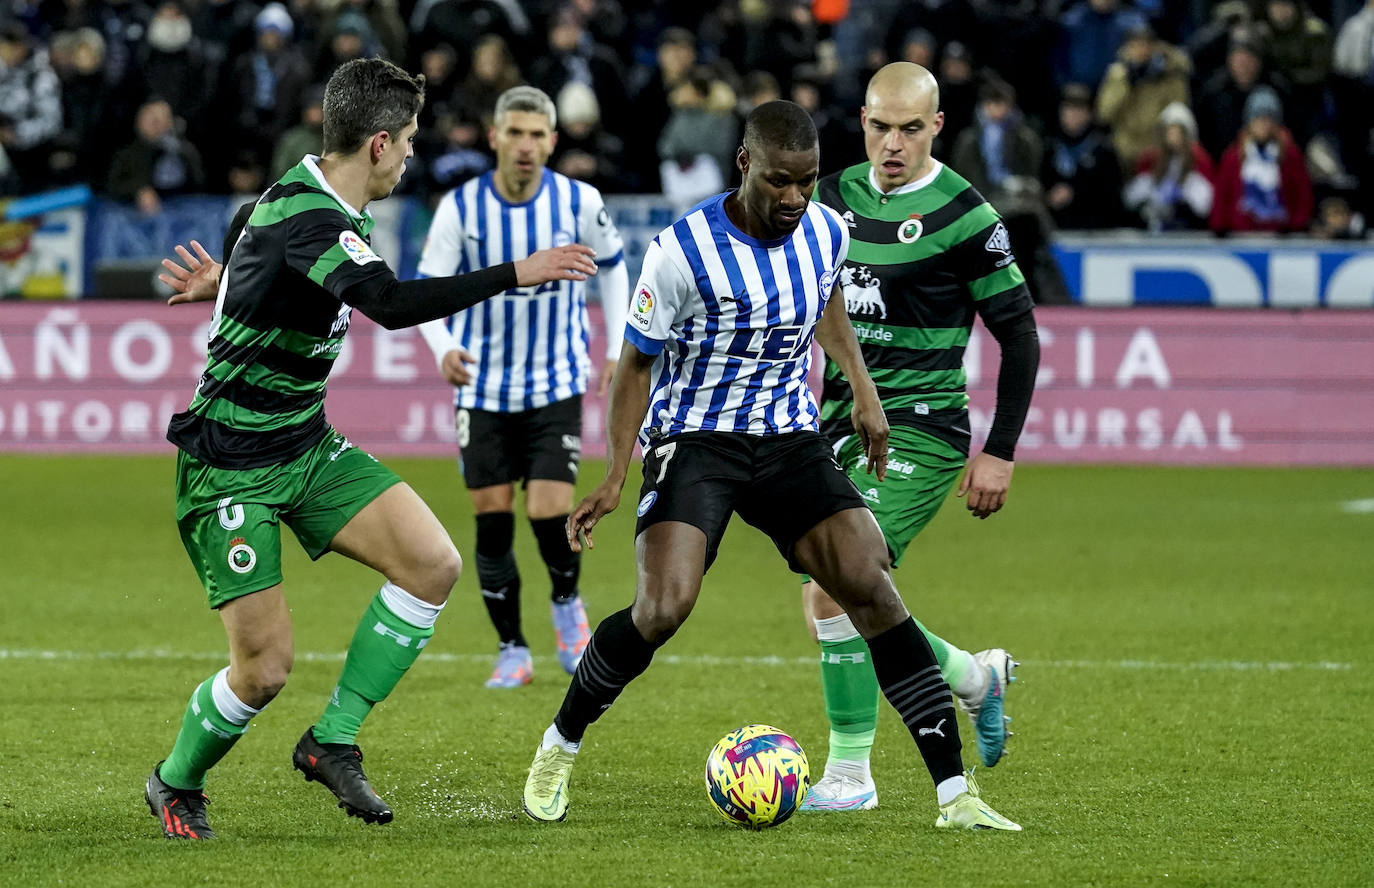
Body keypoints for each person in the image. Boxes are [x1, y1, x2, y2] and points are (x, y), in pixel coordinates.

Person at [520, 99, 1021, 832]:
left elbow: (825, 300)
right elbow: (633, 367)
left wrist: (861, 387)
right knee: (664, 608)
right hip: (695, 439)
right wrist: (616, 474)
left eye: (809, 182)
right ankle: (558, 746)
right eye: (781, 182)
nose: (795, 199)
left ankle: (956, 796)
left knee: (870, 584)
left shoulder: (823, 229)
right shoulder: (681, 250)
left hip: (787, 438)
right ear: (745, 164)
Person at [143, 58, 598, 840]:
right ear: (380, 144)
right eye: (413, 140)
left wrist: (228, 282)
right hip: (231, 464)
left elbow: (257, 239)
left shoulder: (293, 203)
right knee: (264, 670)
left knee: (433, 564)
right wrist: (517, 272)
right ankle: (175, 781)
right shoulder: (313, 218)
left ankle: (332, 741)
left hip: (304, 444)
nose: (416, 154)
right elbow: (385, 302)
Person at [796, 62, 1040, 813]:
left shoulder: (967, 215)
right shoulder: (829, 197)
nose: (891, 143)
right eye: (879, 126)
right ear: (861, 121)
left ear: (937, 126)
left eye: (909, 128)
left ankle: (848, 776)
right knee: (841, 590)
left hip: (923, 432)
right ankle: (972, 676)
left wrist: (997, 451)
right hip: (837, 426)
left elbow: (1019, 337)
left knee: (834, 588)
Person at [416, 86, 629, 689]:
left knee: (549, 507)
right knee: (491, 516)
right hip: (482, 388)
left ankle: (566, 605)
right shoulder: (461, 208)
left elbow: (613, 269)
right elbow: (429, 286)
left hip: (554, 382)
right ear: (494, 137)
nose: (527, 146)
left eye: (538, 135)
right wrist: (442, 348)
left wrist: (612, 349)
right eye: (516, 133)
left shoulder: (579, 201)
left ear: (553, 141)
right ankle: (512, 648)